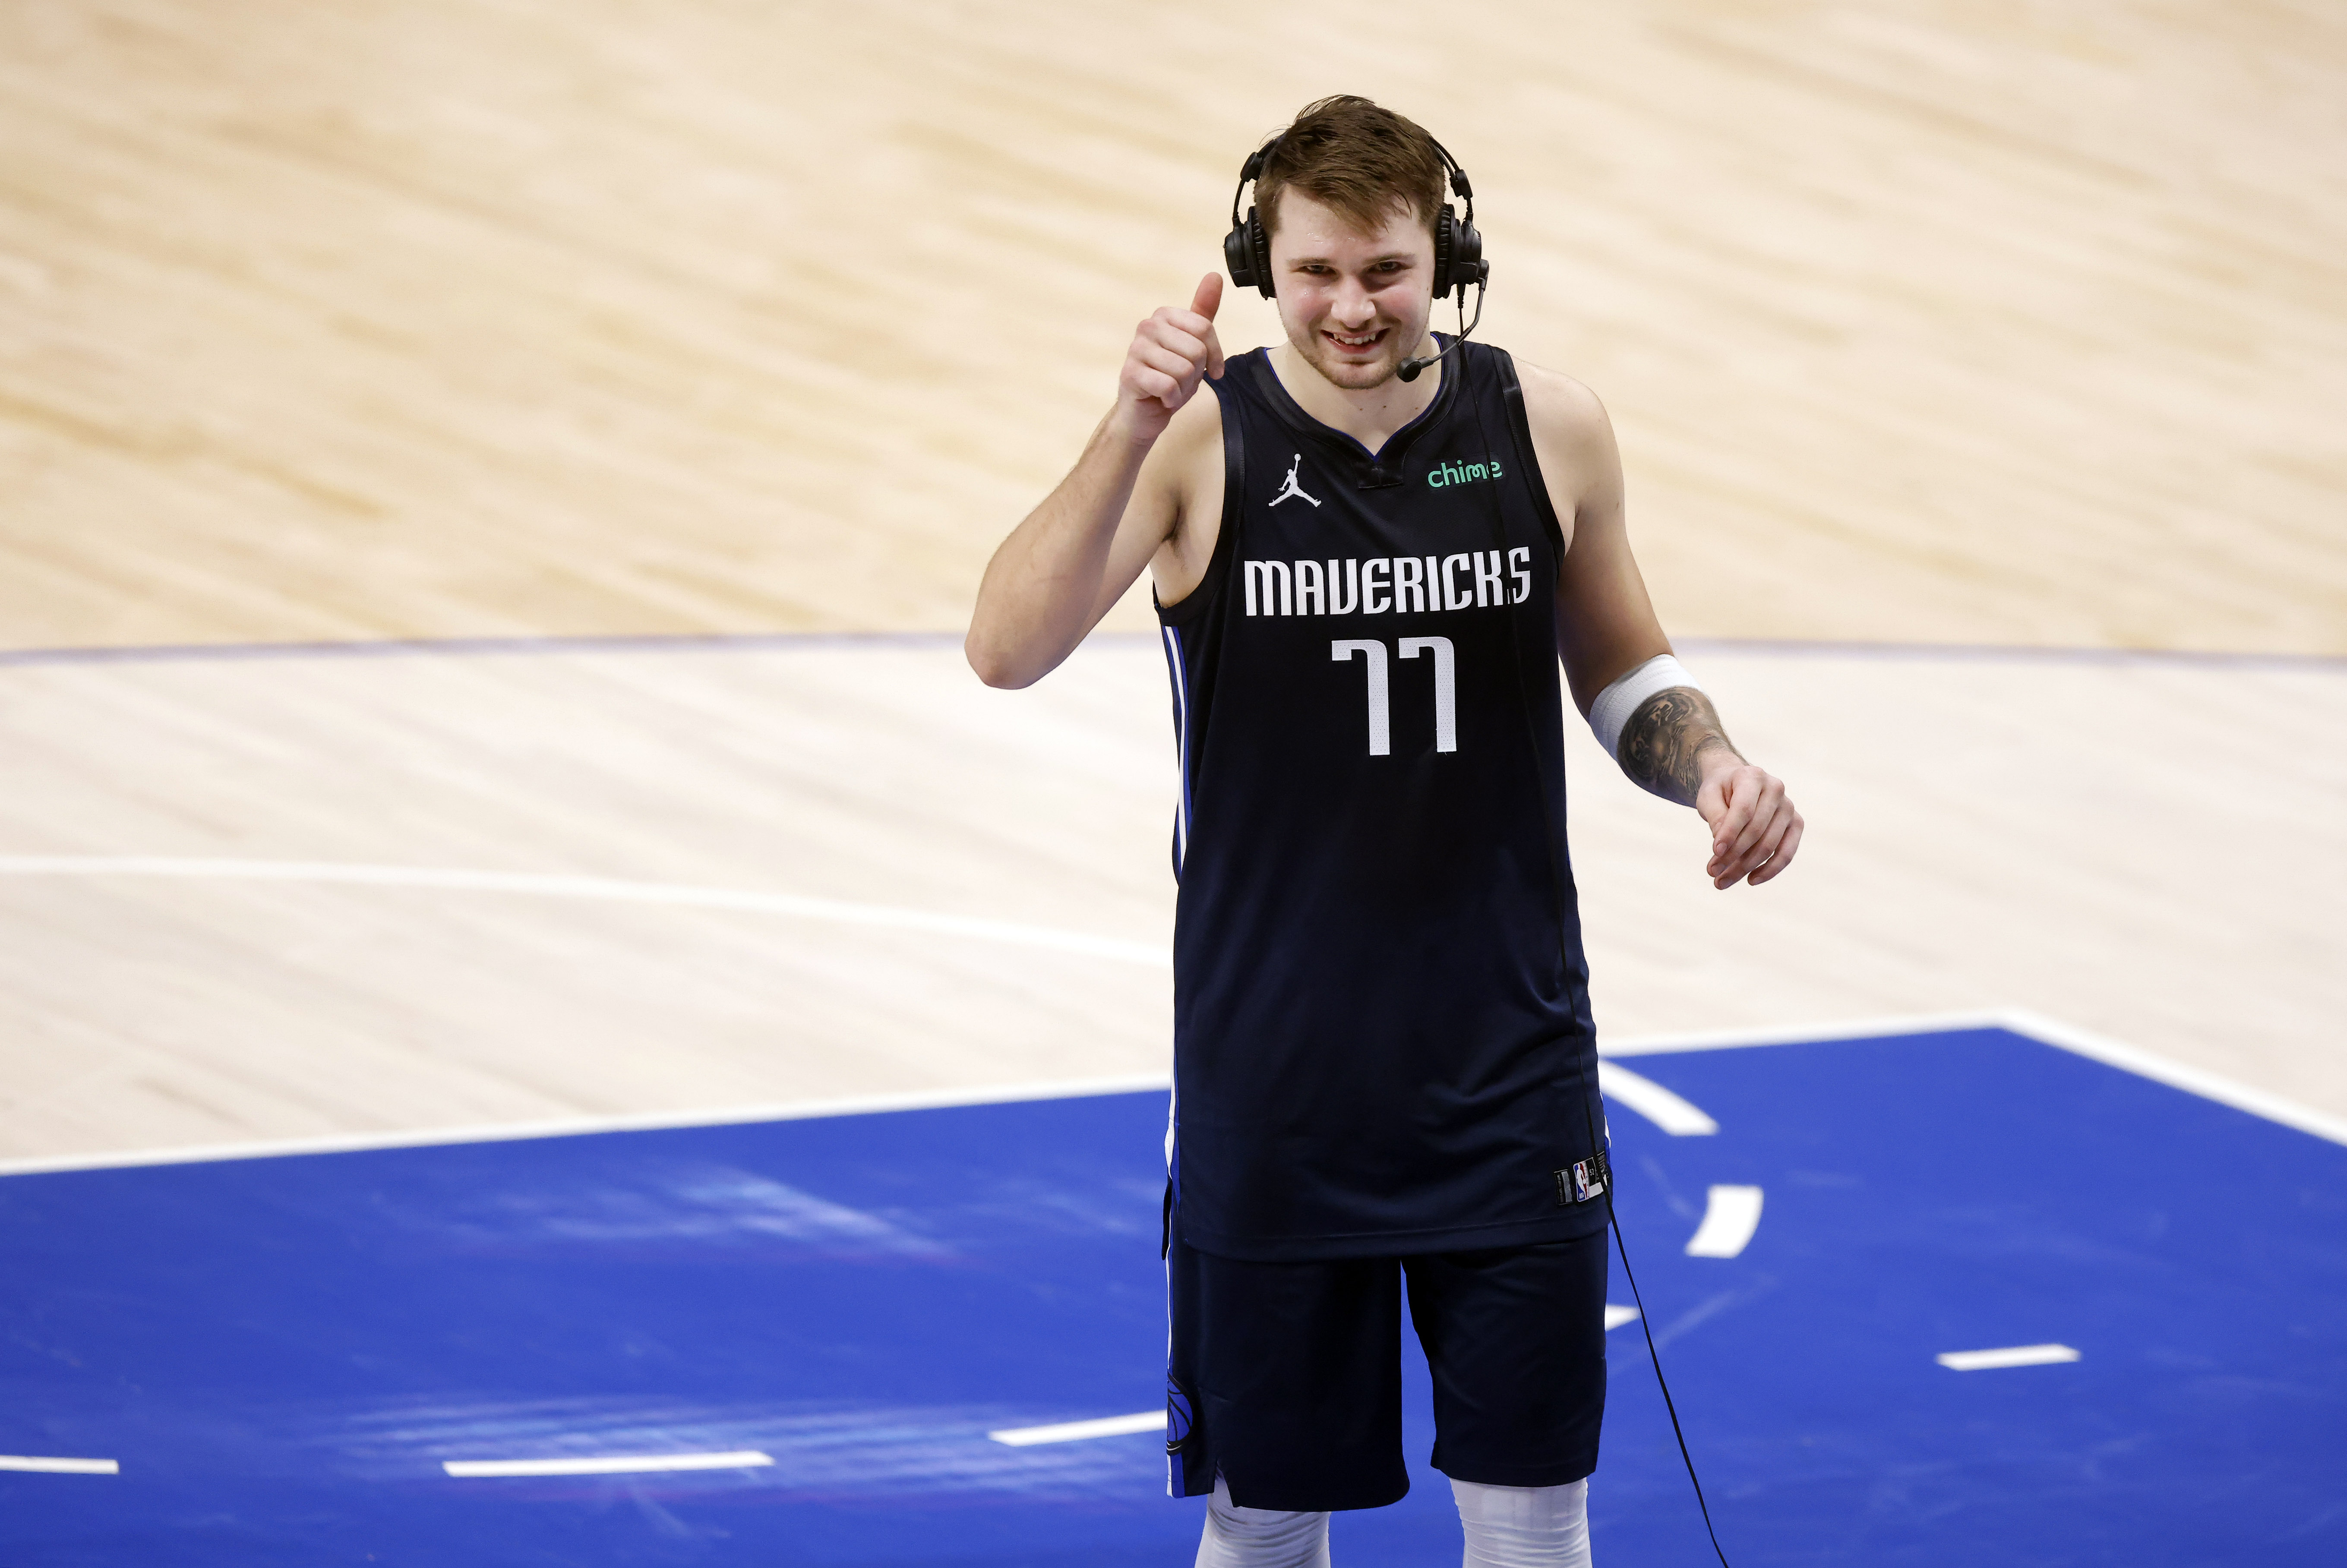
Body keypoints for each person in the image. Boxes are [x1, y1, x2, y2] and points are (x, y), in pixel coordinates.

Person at [967, 95, 1802, 1568]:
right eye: (1315, 275)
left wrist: (1714, 764)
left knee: (1536, 1514)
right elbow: (1005, 647)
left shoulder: (1549, 428)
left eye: (1386, 270)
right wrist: (1122, 426)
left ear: (1447, 257)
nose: (1351, 309)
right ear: (1260, 263)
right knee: (1271, 1517)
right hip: (1277, 1084)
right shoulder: (1200, 441)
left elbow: (1621, 667)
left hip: (1508, 1070)